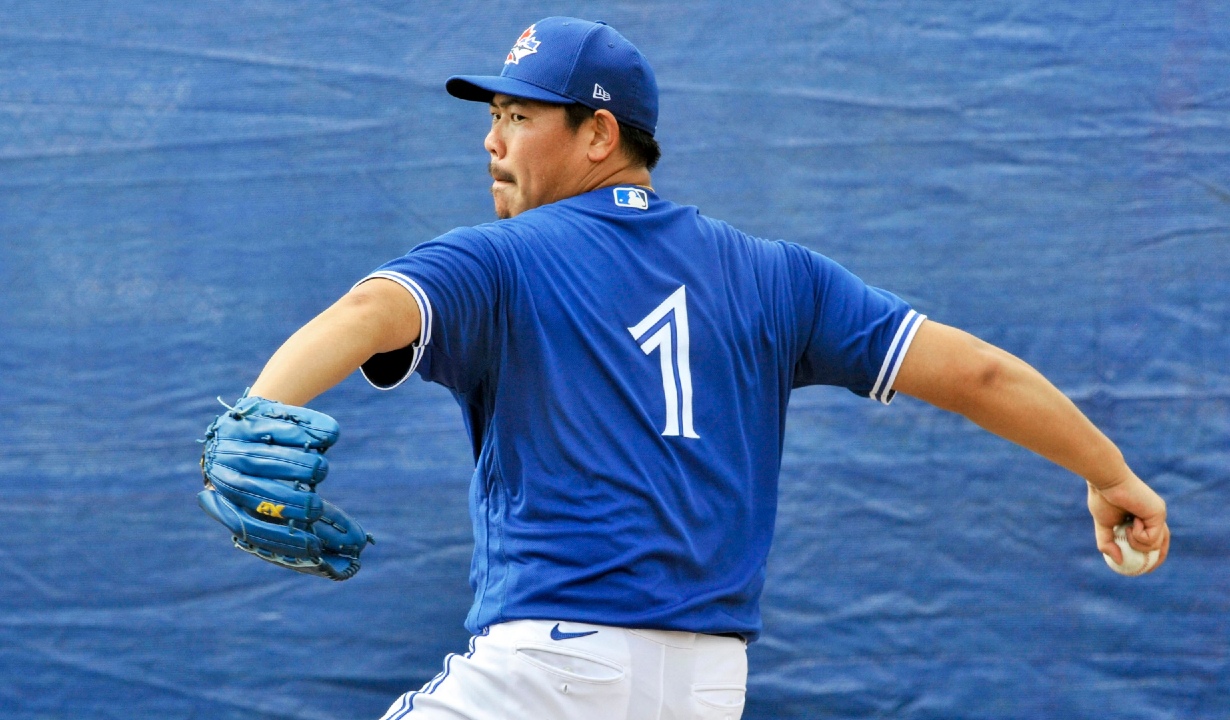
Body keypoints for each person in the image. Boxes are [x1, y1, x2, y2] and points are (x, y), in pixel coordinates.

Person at [236, 17, 1169, 720]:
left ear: (598, 136)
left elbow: (369, 313)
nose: (492, 140)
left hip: (549, 671)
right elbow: (982, 377)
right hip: (707, 685)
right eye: (493, 117)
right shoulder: (777, 275)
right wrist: (1110, 472)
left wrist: (254, 414)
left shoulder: (500, 258)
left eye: (518, 115)